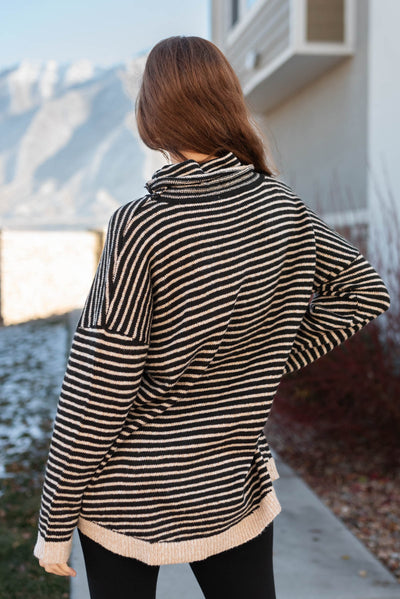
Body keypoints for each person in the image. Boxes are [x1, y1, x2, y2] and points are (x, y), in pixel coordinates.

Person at [33, 36, 391, 598]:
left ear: (152, 114)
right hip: (230, 484)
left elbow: (99, 386)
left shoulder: (141, 225)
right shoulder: (281, 205)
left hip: (127, 494)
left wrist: (54, 524)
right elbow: (363, 292)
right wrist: (258, 364)